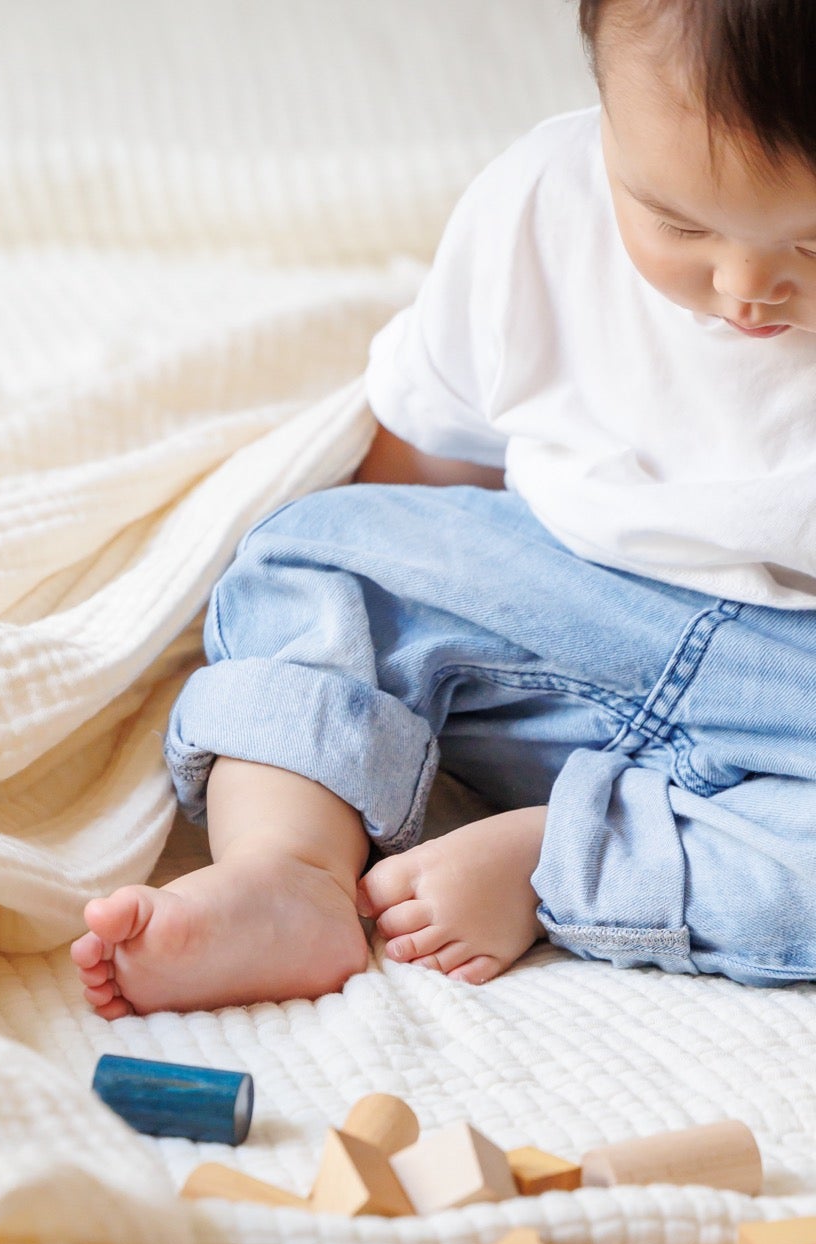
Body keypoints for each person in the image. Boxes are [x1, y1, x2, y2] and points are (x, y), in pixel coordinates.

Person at [73, 0, 816, 1020]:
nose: (746, 288)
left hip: (792, 700)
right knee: (315, 554)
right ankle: (291, 866)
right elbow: (423, 452)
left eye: (814, 243)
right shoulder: (536, 209)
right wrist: (393, 600)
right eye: (678, 222)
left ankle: (561, 860)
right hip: (564, 613)